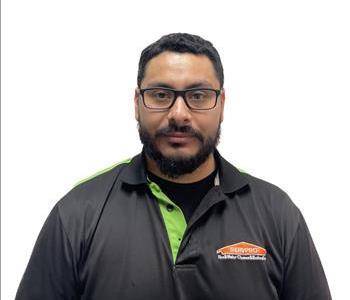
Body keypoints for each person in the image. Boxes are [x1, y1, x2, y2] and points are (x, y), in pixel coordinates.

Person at [16, 33, 332, 300]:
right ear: (136, 104)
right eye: (160, 94)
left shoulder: (277, 213)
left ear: (222, 105)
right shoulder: (78, 213)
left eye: (198, 95)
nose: (179, 114)